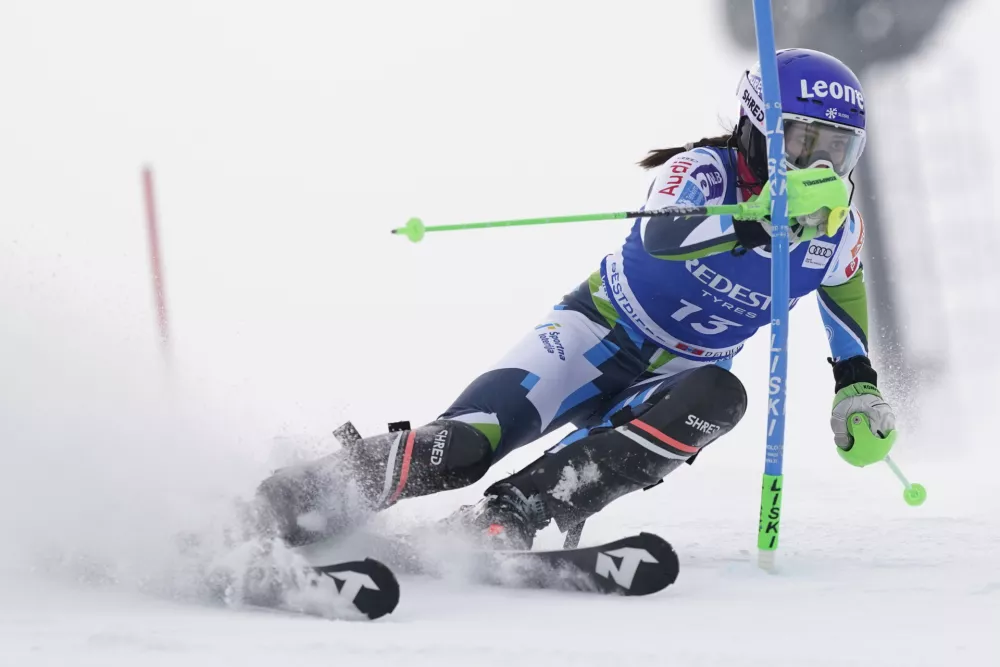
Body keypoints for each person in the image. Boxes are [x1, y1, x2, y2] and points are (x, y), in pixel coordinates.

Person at [256, 48, 896, 551]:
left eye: (837, 150)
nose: (820, 166)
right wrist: (756, 222)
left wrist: (855, 381)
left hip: (681, 375)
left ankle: (510, 515)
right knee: (467, 445)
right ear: (757, 130)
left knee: (721, 398)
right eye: (803, 142)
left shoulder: (836, 227)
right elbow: (663, 236)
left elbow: (842, 282)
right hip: (594, 335)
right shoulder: (706, 171)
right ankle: (298, 498)